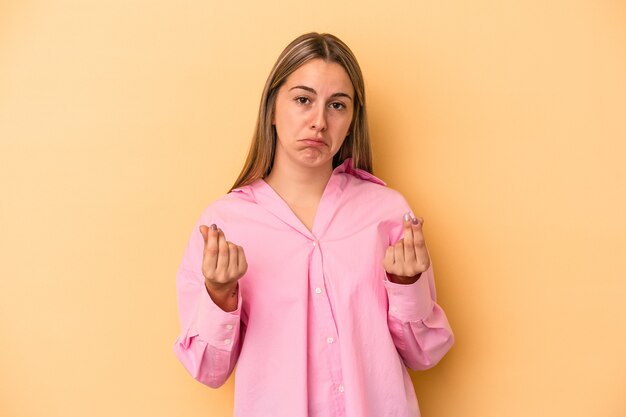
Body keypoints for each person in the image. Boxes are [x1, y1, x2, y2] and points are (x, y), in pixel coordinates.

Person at [174, 32, 454, 417]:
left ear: (353, 118)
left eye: (337, 105)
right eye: (303, 100)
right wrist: (220, 295)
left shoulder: (387, 213)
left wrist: (406, 285)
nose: (319, 122)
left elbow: (424, 355)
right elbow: (208, 370)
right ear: (272, 109)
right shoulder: (224, 224)